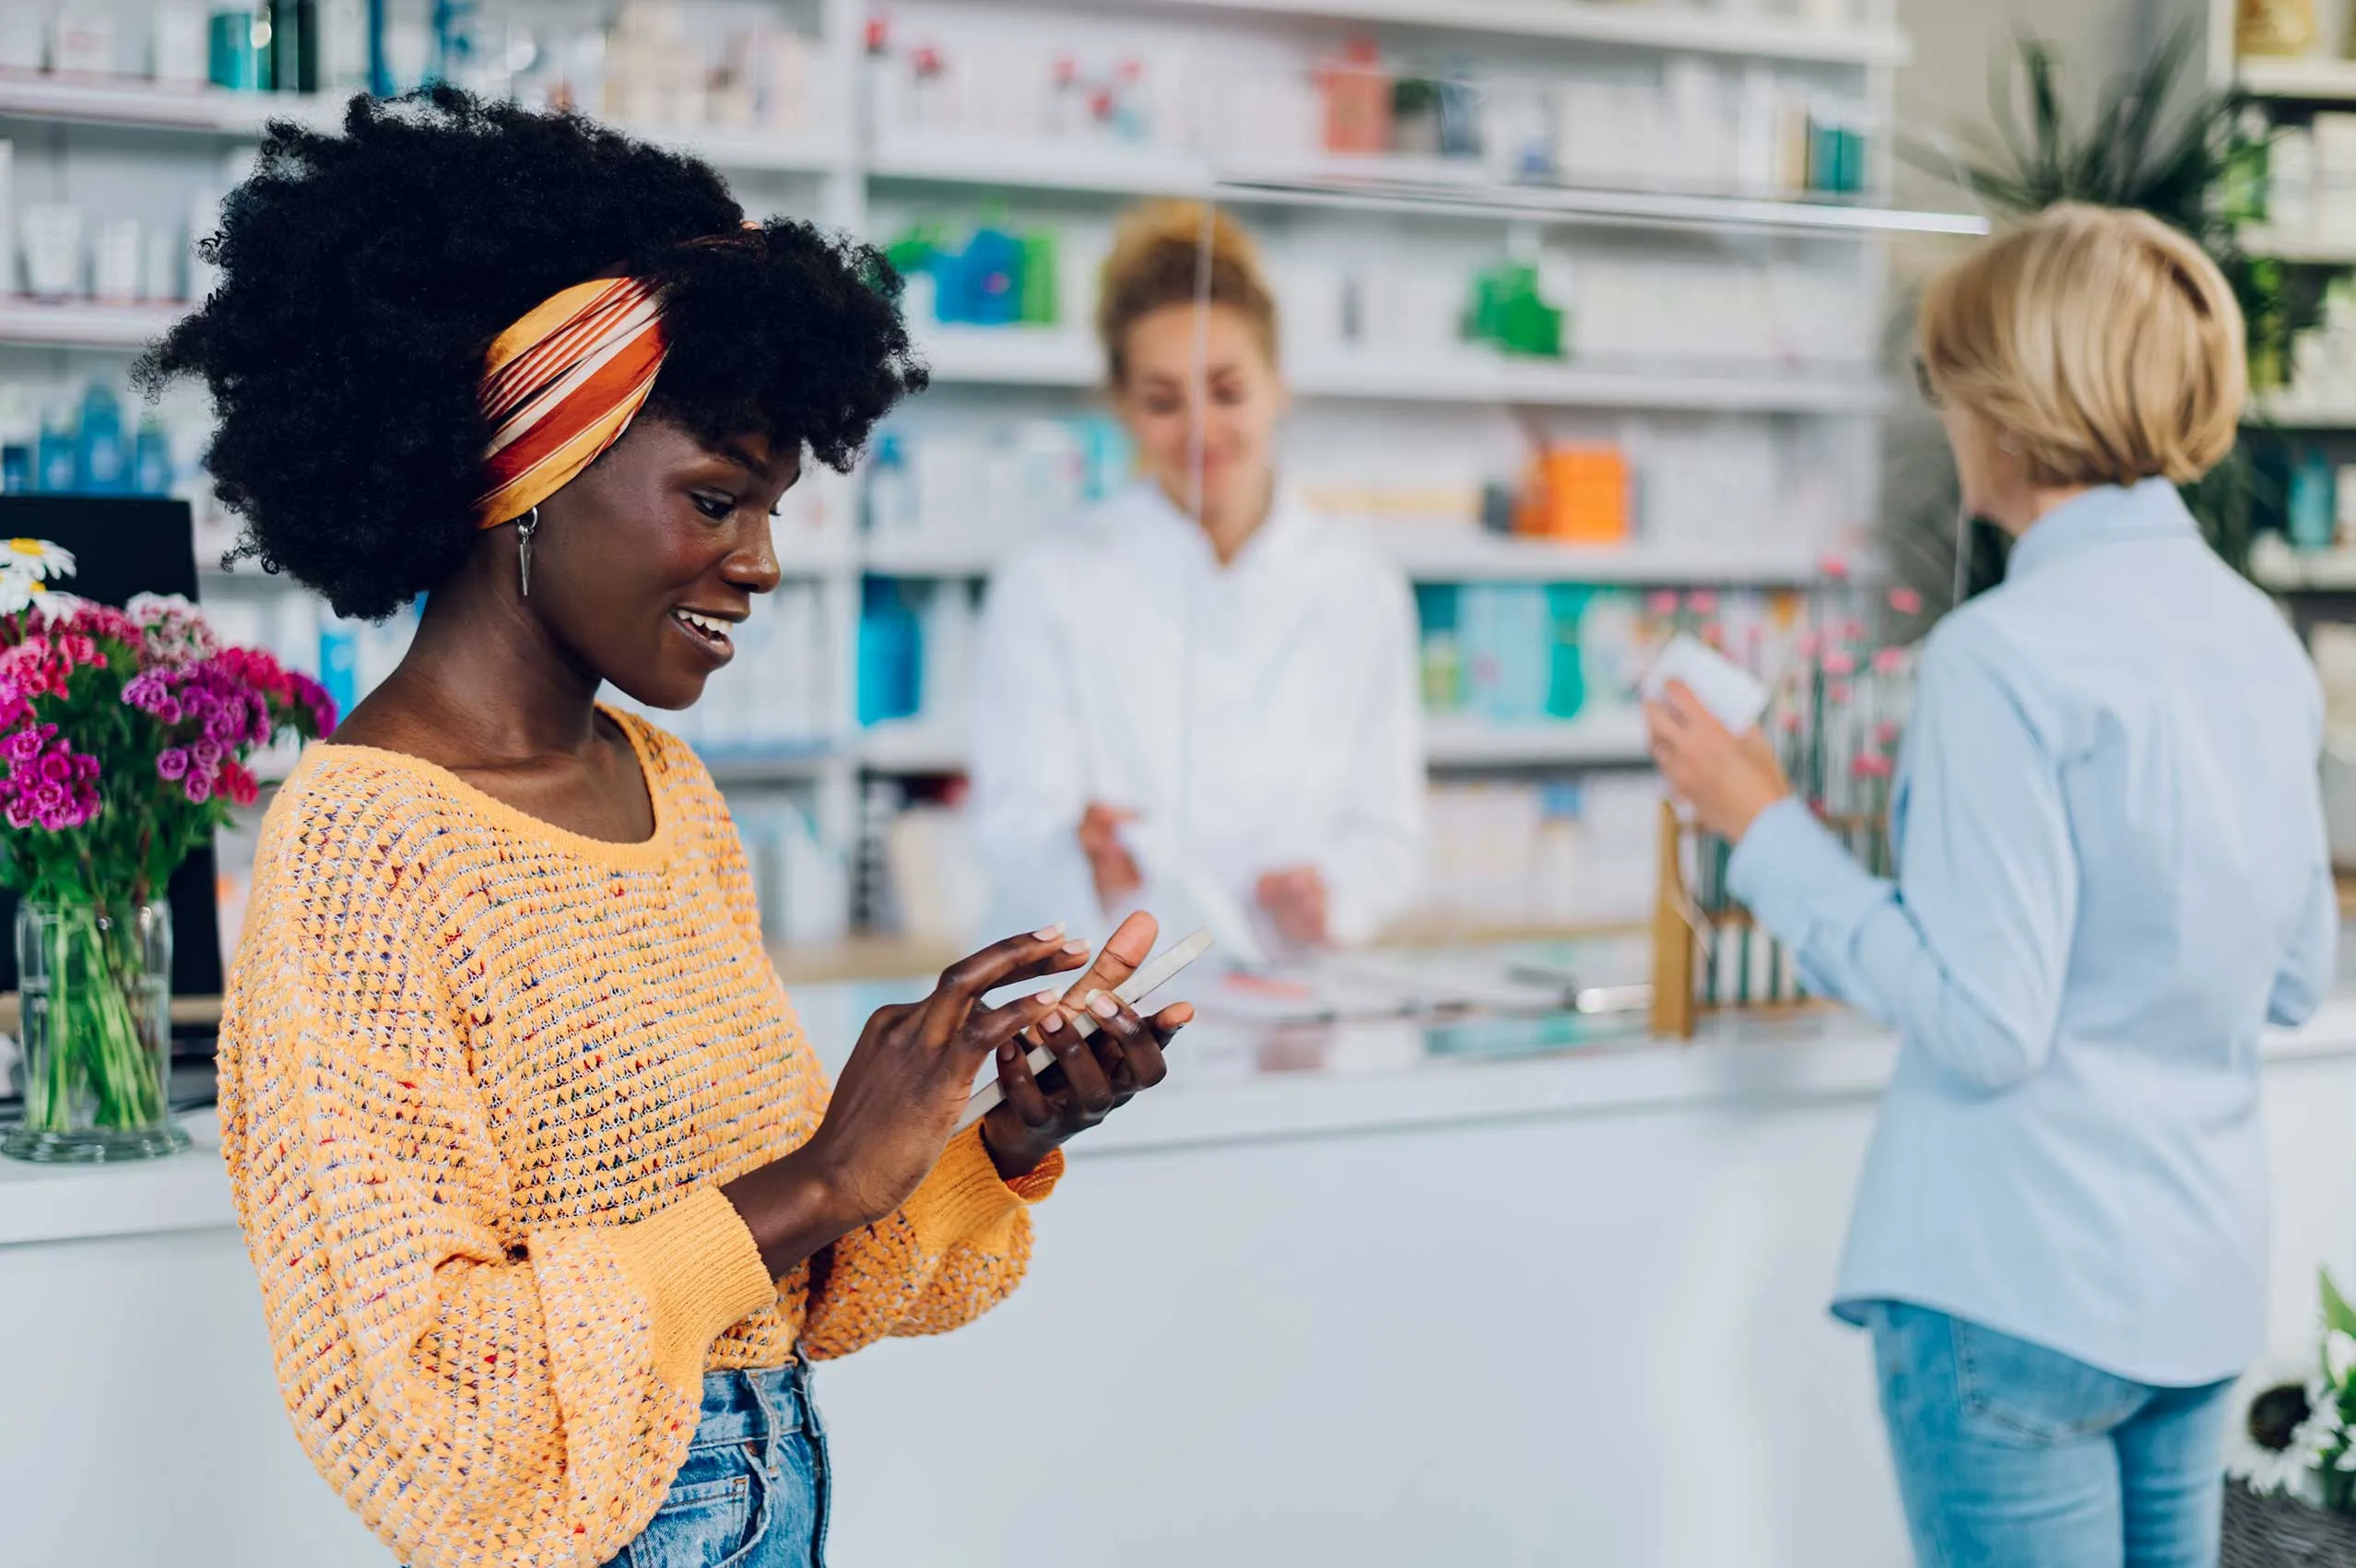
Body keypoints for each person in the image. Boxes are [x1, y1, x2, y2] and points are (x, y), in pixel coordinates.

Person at [150, 89, 1191, 1568]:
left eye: (769, 507)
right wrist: (823, 1170)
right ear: (531, 476)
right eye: (716, 498)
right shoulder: (363, 848)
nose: (759, 563)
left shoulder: (667, 795)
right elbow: (427, 1390)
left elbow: (777, 1289)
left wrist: (999, 1134)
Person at [1644, 202, 2336, 1567]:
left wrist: (1763, 821)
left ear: (2012, 406)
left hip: (2014, 1289)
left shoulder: (2002, 655)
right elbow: (2299, 971)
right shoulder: (2256, 641)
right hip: (2193, 1284)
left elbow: (1986, 1020)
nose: (1942, 413)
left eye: (1948, 381)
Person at [970, 201, 1424, 959]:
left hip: (1296, 1003)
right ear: (1122, 407)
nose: (1202, 431)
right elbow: (1013, 824)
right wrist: (1085, 862)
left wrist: (1330, 897)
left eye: (1227, 390)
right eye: (1163, 401)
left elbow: (1391, 834)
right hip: (1106, 1007)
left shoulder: (1361, 585)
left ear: (1278, 384)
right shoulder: (1052, 579)